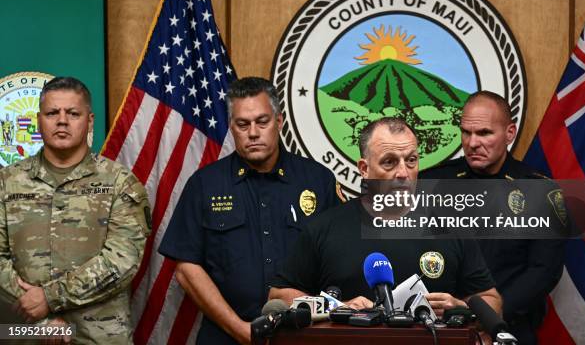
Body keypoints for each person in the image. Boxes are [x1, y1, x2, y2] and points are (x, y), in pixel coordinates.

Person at [158, 77, 343, 345]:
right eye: (243, 124)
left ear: (278, 122)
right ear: (231, 127)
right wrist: (241, 330)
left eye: (262, 122)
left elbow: (338, 261)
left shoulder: (318, 181)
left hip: (305, 334)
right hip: (226, 336)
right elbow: (187, 270)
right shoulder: (204, 184)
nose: (253, 132)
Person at [270, 117, 502, 316]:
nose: (403, 173)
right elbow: (279, 296)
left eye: (411, 160)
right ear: (364, 169)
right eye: (389, 162)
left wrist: (460, 307)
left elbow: (492, 301)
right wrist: (333, 308)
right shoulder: (325, 228)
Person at [0, 77, 151, 343]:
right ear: (38, 120)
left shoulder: (120, 183)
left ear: (89, 121)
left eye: (72, 113)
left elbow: (122, 261)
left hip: (98, 336)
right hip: (26, 333)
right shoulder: (7, 181)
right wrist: (41, 319)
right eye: (52, 113)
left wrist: (50, 298)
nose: (62, 121)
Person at [422, 91, 567, 344]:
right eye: (466, 132)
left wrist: (487, 316)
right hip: (439, 328)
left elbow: (544, 271)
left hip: (508, 326)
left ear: (509, 133)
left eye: (484, 133)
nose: (472, 143)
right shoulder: (432, 184)